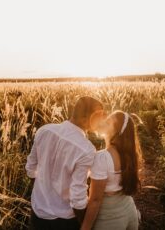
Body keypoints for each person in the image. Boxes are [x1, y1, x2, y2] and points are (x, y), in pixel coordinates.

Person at [25, 96, 105, 230]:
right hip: (64, 221)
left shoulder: (44, 130)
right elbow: (77, 197)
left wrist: (44, 192)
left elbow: (30, 169)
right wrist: (84, 225)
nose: (101, 120)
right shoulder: (86, 149)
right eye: (98, 116)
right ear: (85, 119)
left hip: (37, 213)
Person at [81, 110, 143, 230]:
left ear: (117, 132)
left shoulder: (102, 157)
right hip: (130, 211)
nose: (103, 122)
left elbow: (95, 200)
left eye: (108, 122)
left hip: (109, 218)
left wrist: (85, 227)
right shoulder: (130, 154)